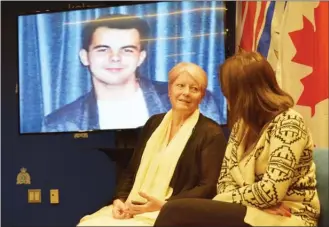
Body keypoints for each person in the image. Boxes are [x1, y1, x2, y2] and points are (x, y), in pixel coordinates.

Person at [154, 51, 321, 227]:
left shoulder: (289, 123)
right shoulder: (241, 126)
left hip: (290, 215)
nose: (226, 99)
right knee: (175, 211)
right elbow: (225, 183)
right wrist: (250, 202)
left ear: (243, 93)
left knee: (174, 210)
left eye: (228, 92)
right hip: (253, 211)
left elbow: (271, 192)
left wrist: (231, 200)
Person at [76, 62, 227, 226]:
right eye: (180, 85)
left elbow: (209, 186)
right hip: (133, 207)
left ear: (202, 95)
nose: (186, 93)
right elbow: (132, 169)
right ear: (170, 90)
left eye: (194, 89)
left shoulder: (211, 133)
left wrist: (166, 204)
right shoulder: (154, 123)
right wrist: (120, 198)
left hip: (174, 211)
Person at [41, 14, 221, 132]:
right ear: (84, 57)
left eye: (127, 50)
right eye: (103, 49)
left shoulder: (198, 102)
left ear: (141, 57)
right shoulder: (59, 123)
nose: (115, 58)